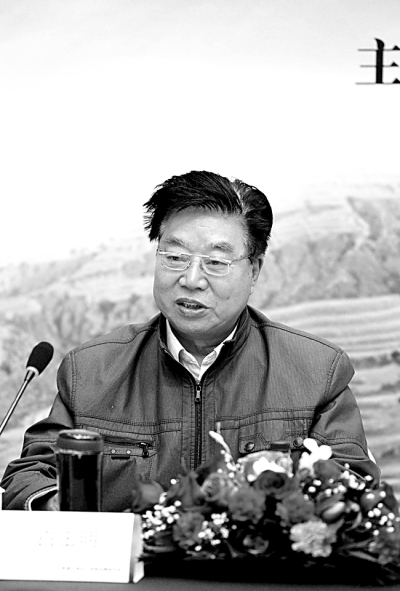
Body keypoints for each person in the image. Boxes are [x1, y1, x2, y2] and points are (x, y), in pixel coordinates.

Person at [1, 170, 379, 511]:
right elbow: (29, 474)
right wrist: (54, 504)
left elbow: (354, 486)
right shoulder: (89, 372)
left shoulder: (316, 372)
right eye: (175, 256)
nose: (192, 279)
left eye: (216, 262)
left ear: (254, 270)